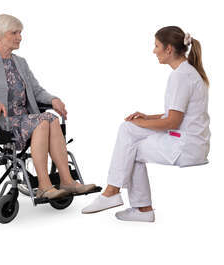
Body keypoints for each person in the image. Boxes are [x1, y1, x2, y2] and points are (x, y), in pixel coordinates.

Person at [0, 14, 95, 200]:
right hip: (0, 123)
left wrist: (53, 99)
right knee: (45, 120)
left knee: (51, 119)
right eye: (14, 33)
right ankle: (45, 185)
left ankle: (67, 181)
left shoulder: (20, 63)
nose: (19, 37)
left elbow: (37, 91)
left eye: (20, 32)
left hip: (26, 119)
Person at [82, 26, 210, 222]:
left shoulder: (180, 76)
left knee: (129, 139)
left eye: (156, 45)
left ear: (168, 49)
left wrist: (141, 123)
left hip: (185, 147)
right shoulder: (187, 72)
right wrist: (147, 117)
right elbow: (177, 114)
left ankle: (115, 193)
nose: (154, 50)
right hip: (191, 142)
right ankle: (139, 208)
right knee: (129, 141)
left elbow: (173, 122)